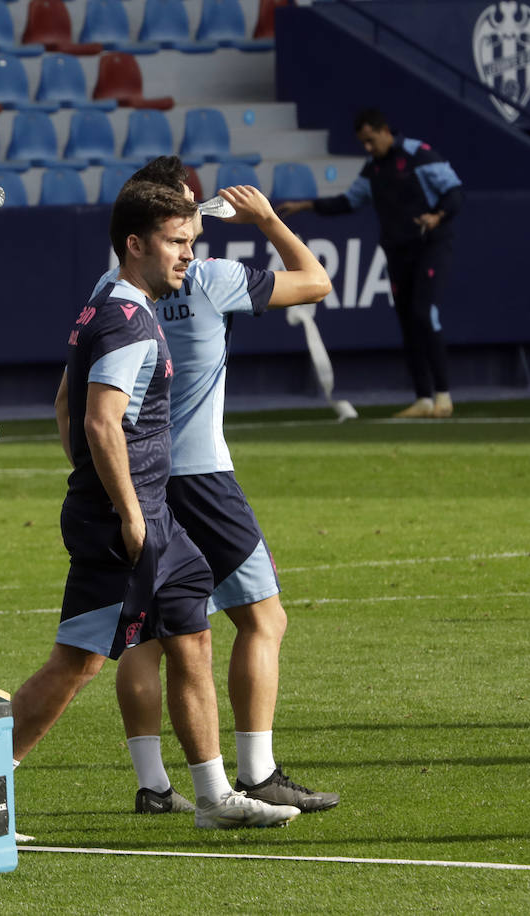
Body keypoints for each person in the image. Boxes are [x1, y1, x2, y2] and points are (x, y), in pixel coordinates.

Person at [10, 181, 300, 829]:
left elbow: (68, 406)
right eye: (176, 243)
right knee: (77, 661)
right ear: (135, 244)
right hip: (126, 520)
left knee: (192, 635)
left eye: (191, 243)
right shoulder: (125, 319)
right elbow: (101, 423)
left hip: (155, 516)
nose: (187, 257)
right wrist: (129, 513)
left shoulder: (112, 305)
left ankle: (215, 796)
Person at [98, 157, 339, 816]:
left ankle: (152, 786)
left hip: (134, 477)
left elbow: (75, 399)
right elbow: (316, 282)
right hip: (201, 475)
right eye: (186, 216)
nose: (192, 230)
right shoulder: (212, 280)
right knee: (264, 618)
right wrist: (266, 219)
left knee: (146, 635)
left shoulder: (109, 288)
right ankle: (257, 772)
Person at [278, 108, 461, 419]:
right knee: (407, 320)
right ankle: (423, 398)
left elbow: (454, 191)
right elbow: (348, 201)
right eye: (363, 143)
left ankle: (443, 395)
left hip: (430, 246)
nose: (367, 147)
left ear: (385, 130)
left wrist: (437, 216)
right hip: (397, 251)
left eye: (370, 140)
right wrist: (306, 205)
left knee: (423, 313)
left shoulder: (419, 155)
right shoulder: (372, 170)